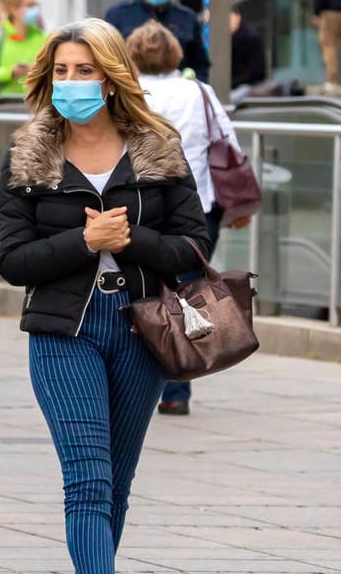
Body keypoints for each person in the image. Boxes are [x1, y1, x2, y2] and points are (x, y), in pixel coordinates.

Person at [0, 18, 209, 573]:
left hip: (143, 330)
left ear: (111, 79)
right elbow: (13, 262)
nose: (71, 81)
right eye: (62, 70)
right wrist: (85, 241)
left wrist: (132, 240)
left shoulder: (157, 148)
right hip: (64, 330)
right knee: (87, 479)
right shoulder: (27, 155)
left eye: (85, 70)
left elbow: (193, 245)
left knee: (115, 482)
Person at [125, 21, 244, 416]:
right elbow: (228, 143)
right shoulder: (200, 91)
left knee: (142, 293)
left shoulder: (129, 93)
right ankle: (177, 389)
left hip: (141, 204)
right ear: (176, 53)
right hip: (199, 205)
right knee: (188, 297)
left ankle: (138, 380)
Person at [104, 0, 210, 82]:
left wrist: (194, 86)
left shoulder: (187, 17)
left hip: (176, 95)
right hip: (133, 93)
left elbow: (200, 65)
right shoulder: (118, 14)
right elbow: (106, 59)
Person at [230, 8, 267, 90]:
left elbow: (257, 72)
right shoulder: (226, 39)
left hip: (246, 86)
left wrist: (232, 82)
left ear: (237, 18)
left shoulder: (251, 38)